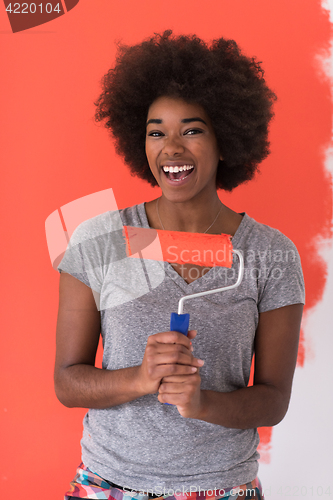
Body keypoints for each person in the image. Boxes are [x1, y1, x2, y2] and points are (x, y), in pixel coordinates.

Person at [55, 31, 305, 500]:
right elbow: (68, 381)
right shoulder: (100, 240)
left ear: (226, 139)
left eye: (191, 130)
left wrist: (203, 401)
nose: (171, 148)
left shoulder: (271, 253)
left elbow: (273, 400)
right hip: (109, 483)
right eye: (156, 131)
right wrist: (139, 377)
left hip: (221, 487)